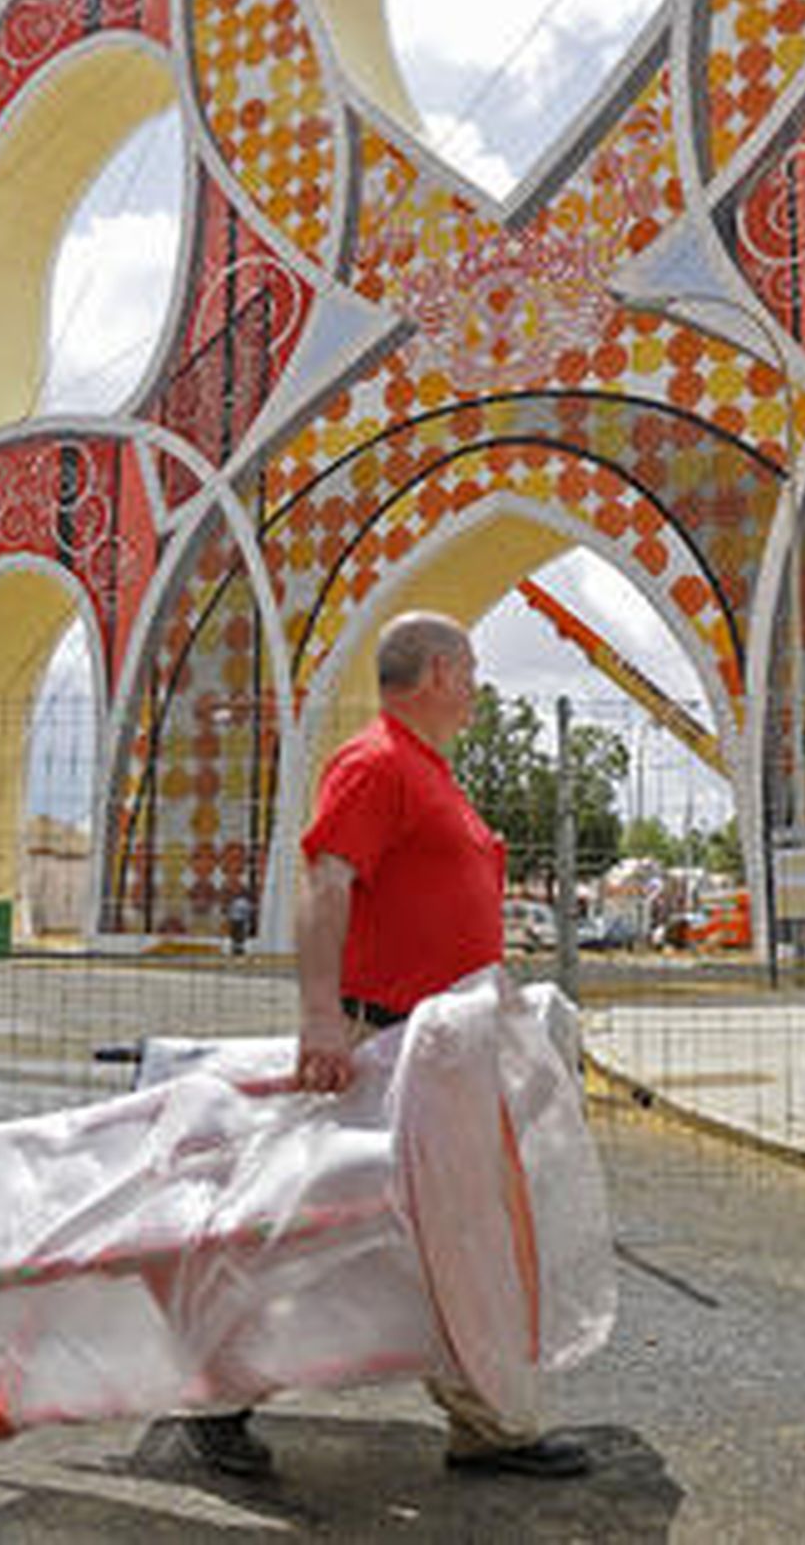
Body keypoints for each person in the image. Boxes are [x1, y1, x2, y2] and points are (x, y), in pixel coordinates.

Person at [182, 610, 592, 1484]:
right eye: (472, 668)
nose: (480, 684)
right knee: (323, 1230)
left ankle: (485, 1425)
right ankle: (218, 1393)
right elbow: (327, 882)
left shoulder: (430, 773)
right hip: (386, 1047)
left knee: (450, 1238)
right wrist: (321, 1018)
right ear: (440, 671)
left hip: (441, 1054)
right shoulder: (376, 764)